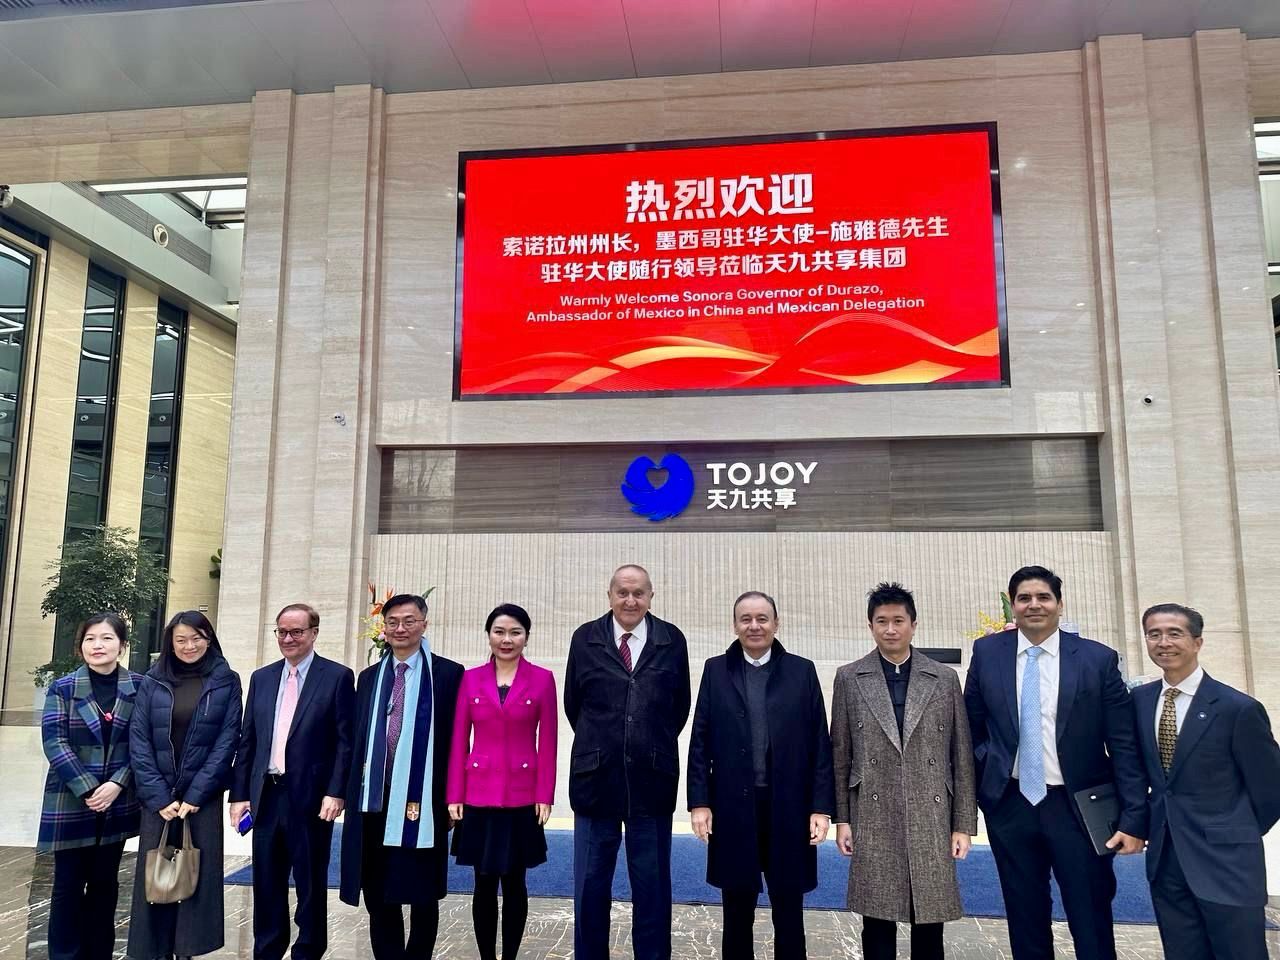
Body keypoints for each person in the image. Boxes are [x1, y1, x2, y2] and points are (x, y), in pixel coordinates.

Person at [963, 565, 1146, 960]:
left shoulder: (1097, 659)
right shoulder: (988, 653)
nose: (1034, 605)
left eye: (1043, 597)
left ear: (1060, 604)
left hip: (1078, 807)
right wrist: (988, 775)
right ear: (1013, 606)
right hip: (1011, 804)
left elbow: (1123, 744)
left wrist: (1134, 816)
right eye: (1024, 598)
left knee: (1090, 913)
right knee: (1024, 913)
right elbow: (972, 726)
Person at [830, 583, 977, 960]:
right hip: (872, 812)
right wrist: (842, 820)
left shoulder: (943, 678)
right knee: (877, 919)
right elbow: (841, 755)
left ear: (914, 624)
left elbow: (960, 755)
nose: (890, 629)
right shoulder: (849, 677)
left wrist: (962, 824)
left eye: (898, 620)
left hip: (931, 812)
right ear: (870, 626)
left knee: (929, 919)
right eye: (882, 621)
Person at [687, 591, 834, 960]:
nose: (754, 626)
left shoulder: (801, 671)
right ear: (735, 625)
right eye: (746, 619)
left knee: (789, 912)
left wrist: (820, 807)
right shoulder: (716, 671)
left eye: (762, 618)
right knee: (737, 913)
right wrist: (699, 802)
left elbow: (820, 742)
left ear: (776, 624)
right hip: (734, 809)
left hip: (789, 808)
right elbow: (700, 741)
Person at [1133, 603, 1280, 960]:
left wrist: (1233, 829)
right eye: (1154, 634)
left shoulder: (1237, 708)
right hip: (1167, 858)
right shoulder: (1139, 701)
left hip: (1227, 861)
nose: (1163, 642)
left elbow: (1271, 789)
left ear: (1197, 642)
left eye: (1174, 633)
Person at [564, 563, 691, 960]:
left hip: (652, 781)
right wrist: (606, 742)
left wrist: (644, 742)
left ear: (651, 596)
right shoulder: (585, 638)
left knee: (652, 889)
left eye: (638, 593)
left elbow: (679, 707)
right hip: (595, 781)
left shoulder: (672, 639)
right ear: (610, 595)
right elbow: (573, 704)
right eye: (623, 592)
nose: (630, 600)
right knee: (590, 887)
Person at [339, 593, 463, 960]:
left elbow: (457, 741)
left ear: (424, 624)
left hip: (424, 802)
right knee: (378, 892)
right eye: (392, 622)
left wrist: (453, 797)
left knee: (423, 892)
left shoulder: (447, 675)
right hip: (376, 800)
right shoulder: (370, 678)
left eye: (409, 621)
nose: (400, 628)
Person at [229, 603, 355, 960]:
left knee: (310, 882)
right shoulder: (262, 677)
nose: (288, 638)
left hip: (312, 799)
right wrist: (239, 795)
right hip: (267, 796)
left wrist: (336, 791)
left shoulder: (337, 677)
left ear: (314, 633)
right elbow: (248, 740)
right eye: (282, 632)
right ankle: (268, 950)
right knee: (266, 882)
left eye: (296, 631)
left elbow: (345, 742)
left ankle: (308, 951)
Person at [127, 611, 243, 960]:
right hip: (158, 797)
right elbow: (139, 739)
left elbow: (228, 739)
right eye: (181, 639)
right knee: (157, 873)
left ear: (209, 639)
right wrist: (158, 796)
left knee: (196, 872)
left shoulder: (226, 680)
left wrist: (196, 794)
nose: (189, 646)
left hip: (201, 798)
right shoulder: (153, 680)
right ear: (170, 643)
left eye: (197, 638)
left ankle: (188, 949)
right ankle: (156, 949)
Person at [447, 603, 558, 960]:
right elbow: (459, 740)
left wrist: (545, 794)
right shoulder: (470, 679)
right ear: (488, 635)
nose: (506, 639)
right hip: (477, 794)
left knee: (515, 881)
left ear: (526, 637)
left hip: (522, 796)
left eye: (515, 632)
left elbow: (549, 741)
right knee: (482, 882)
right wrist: (454, 793)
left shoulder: (542, 679)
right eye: (499, 632)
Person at [38, 613, 145, 960]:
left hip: (117, 800)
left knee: (105, 884)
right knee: (67, 886)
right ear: (81, 645)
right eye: (90, 639)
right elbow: (54, 741)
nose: (98, 645)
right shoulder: (63, 687)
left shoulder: (140, 687)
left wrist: (117, 784)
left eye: (107, 638)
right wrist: (88, 788)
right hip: (71, 800)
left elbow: (143, 744)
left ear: (122, 645)